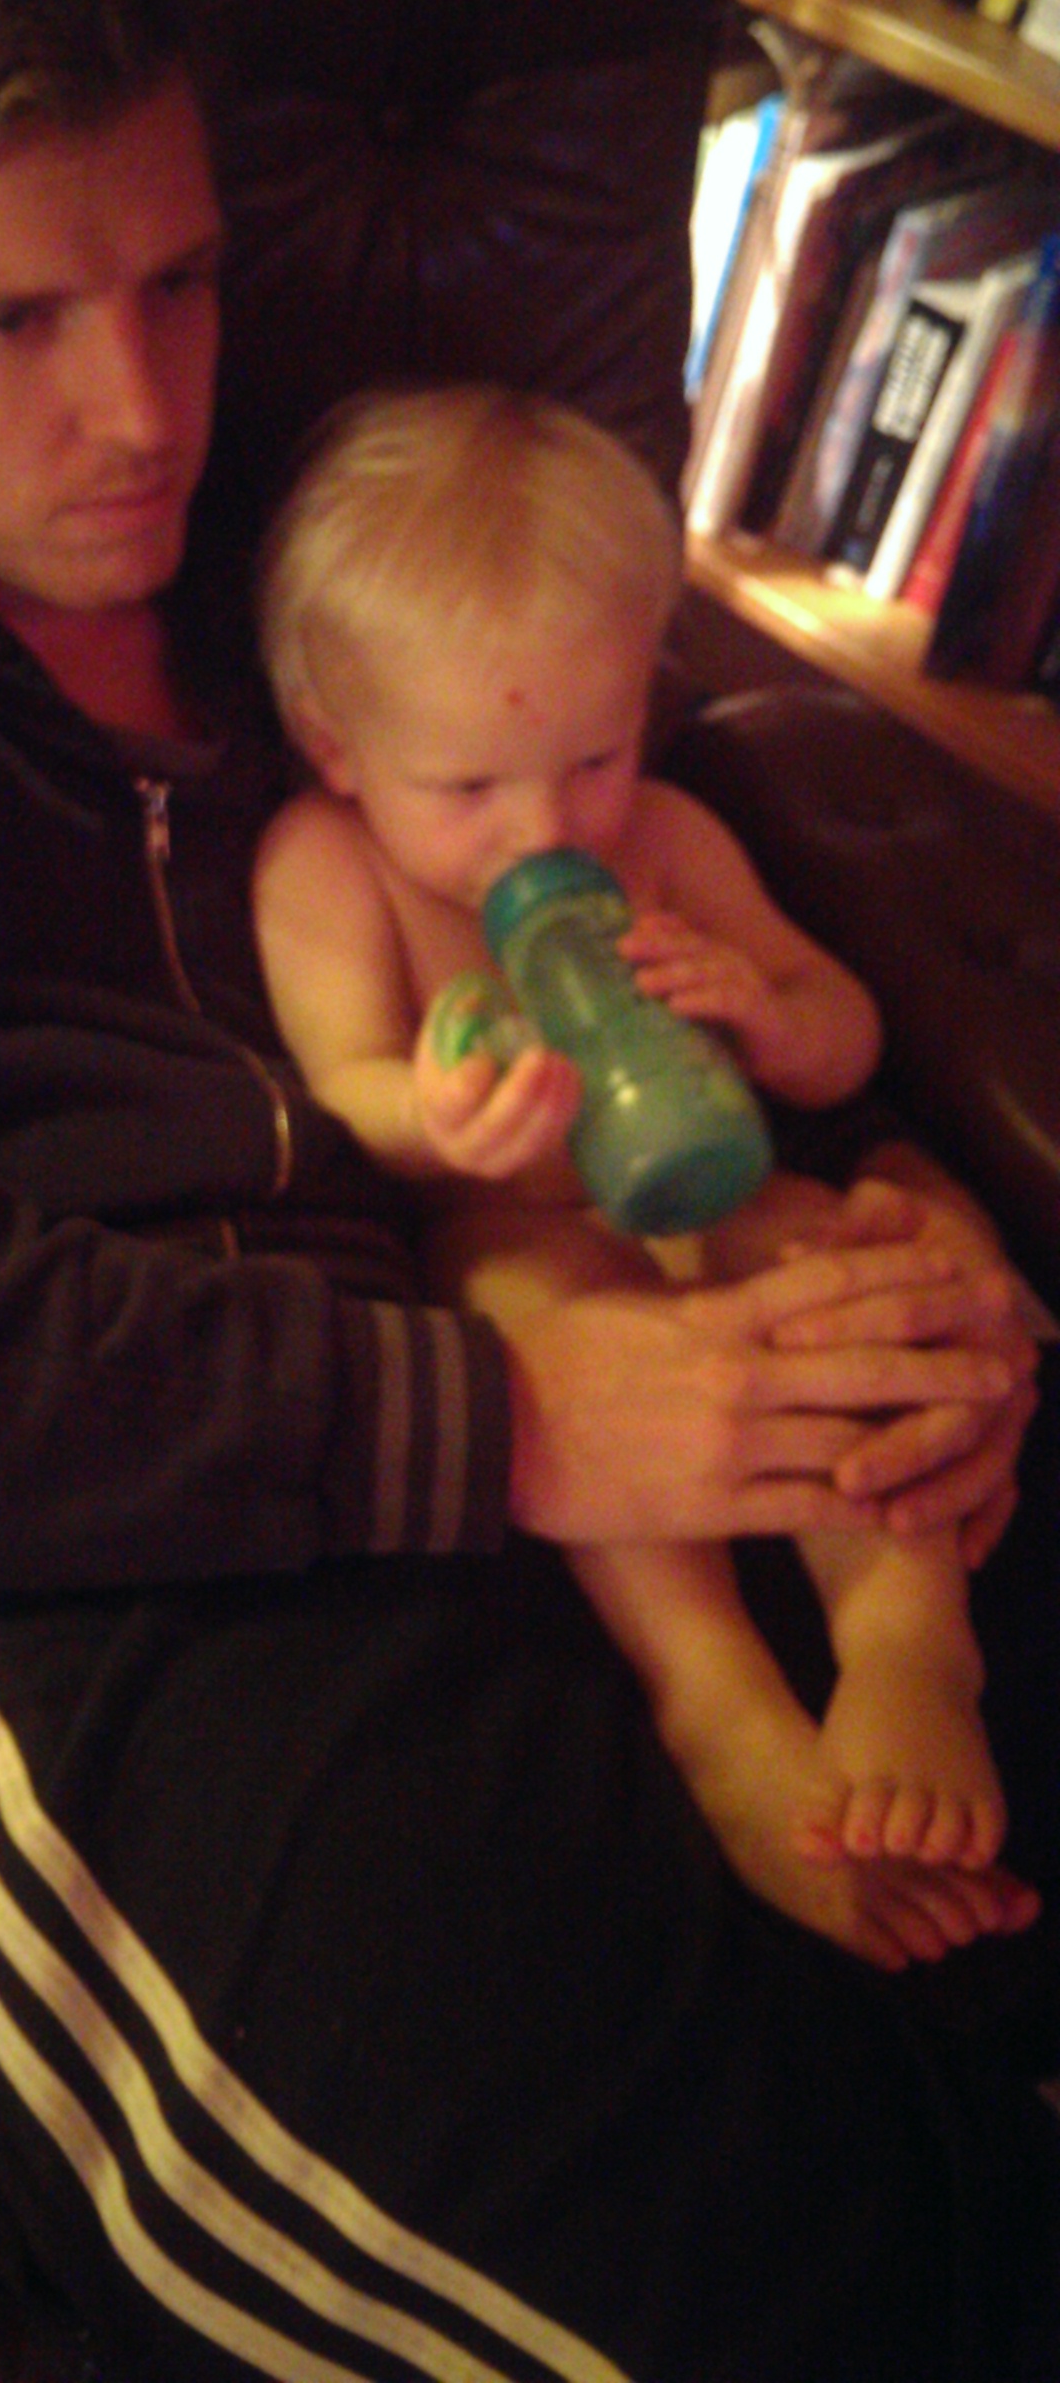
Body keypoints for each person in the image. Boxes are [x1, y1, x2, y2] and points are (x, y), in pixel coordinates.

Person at [0, 0, 1054, 2383]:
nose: (141, 409)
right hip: (36, 1542)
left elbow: (610, 799)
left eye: (182, 280)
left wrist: (897, 1198)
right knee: (729, 2275)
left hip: (566, 1281)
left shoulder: (306, 505)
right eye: (12, 324)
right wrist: (504, 1425)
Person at [252, 383, 1019, 1967]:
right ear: (339, 748)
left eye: (593, 754)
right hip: (513, 1226)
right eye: (471, 788)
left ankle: (908, 1645)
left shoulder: (660, 840)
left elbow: (844, 1032)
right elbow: (343, 1088)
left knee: (835, 1278)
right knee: (535, 1319)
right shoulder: (325, 870)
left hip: (720, 1186)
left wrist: (766, 1014)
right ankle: (719, 1706)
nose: (547, 826)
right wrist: (438, 1112)